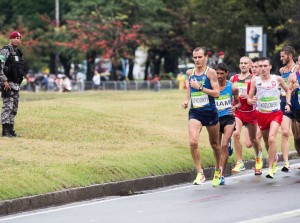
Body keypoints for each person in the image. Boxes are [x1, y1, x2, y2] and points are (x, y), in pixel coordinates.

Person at [182, 47, 222, 187]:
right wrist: (187, 100)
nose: (197, 60)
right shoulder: (190, 72)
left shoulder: (210, 73)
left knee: (215, 145)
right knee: (193, 142)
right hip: (195, 113)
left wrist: (200, 88)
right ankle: (200, 173)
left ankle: (218, 170)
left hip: (210, 112)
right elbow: (189, 89)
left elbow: (217, 93)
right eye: (195, 57)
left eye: (200, 57)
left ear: (205, 57)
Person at [248, 57, 291, 179]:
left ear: (270, 67)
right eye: (260, 66)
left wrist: (288, 103)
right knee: (267, 142)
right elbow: (249, 98)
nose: (263, 68)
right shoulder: (255, 81)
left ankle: (270, 168)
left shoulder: (277, 79)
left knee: (272, 138)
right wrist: (252, 100)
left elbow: (287, 90)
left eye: (265, 66)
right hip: (262, 115)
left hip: (275, 113)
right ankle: (274, 159)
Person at [230, 56, 263, 175]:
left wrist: (251, 98)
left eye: (245, 63)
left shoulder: (254, 79)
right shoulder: (233, 78)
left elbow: (259, 95)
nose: (243, 65)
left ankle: (259, 157)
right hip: (238, 112)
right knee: (236, 133)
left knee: (253, 139)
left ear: (250, 66)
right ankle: (240, 162)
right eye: (241, 63)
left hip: (251, 113)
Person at [215, 63, 240, 185]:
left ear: (226, 73)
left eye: (221, 73)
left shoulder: (233, 87)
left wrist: (235, 107)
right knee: (218, 147)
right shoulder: (212, 86)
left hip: (228, 118)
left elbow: (239, 103)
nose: (219, 76)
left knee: (224, 145)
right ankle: (228, 144)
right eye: (217, 73)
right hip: (215, 119)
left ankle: (221, 174)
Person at [0, 31, 26, 137]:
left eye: (18, 38)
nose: (16, 39)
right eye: (14, 37)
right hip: (7, 83)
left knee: (14, 107)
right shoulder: (5, 50)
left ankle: (11, 129)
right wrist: (4, 80)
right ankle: (5, 130)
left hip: (15, 84)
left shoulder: (18, 52)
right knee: (8, 106)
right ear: (10, 39)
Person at [278, 46, 297, 172]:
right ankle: (286, 163)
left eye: (283, 56)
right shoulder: (282, 70)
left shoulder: (297, 68)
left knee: (298, 136)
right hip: (284, 104)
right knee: (285, 132)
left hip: (296, 104)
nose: (281, 58)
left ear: (290, 56)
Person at [288, 65, 300, 169]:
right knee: (297, 137)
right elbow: (288, 92)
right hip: (297, 108)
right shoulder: (293, 76)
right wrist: (293, 90)